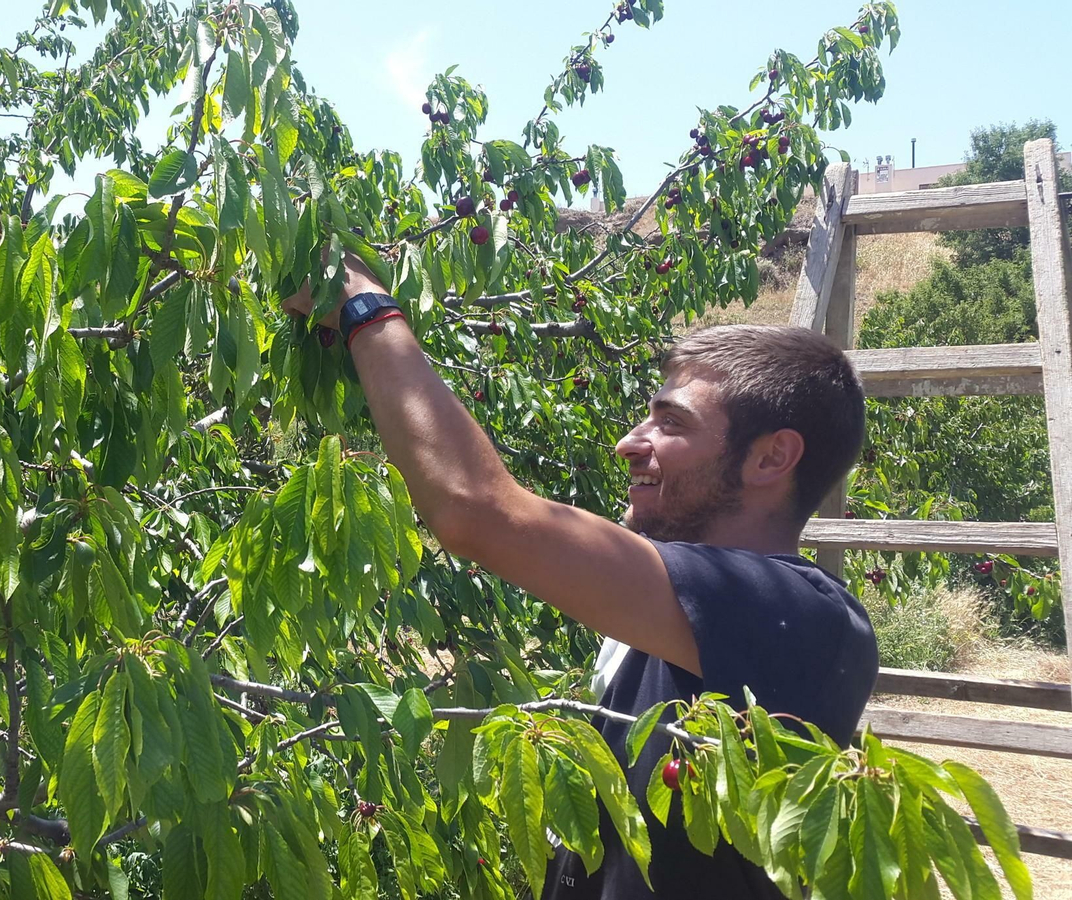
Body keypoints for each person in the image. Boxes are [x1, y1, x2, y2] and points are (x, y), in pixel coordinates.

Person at [283, 254, 878, 900]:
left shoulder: (802, 619)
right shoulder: (663, 616)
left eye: (671, 422)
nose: (628, 441)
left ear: (772, 457)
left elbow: (478, 510)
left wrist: (364, 307)